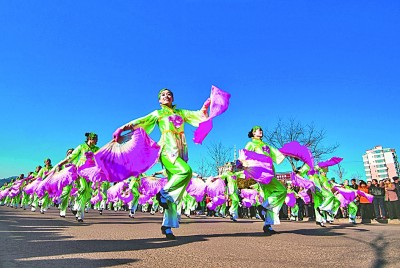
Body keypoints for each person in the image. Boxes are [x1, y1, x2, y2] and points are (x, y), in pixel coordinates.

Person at [113, 88, 210, 240]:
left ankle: (167, 226)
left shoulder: (181, 113)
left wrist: (205, 107)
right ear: (159, 100)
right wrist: (122, 128)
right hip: (167, 149)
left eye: (169, 94)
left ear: (173, 98)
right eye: (163, 95)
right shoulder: (157, 114)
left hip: (181, 149)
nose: (166, 96)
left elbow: (197, 115)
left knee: (174, 193)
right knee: (185, 172)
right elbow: (140, 121)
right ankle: (163, 193)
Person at [243, 126, 286, 235]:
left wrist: (293, 153)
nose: (260, 130)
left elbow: (278, 155)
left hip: (270, 172)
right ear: (253, 133)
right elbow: (244, 155)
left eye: (261, 129)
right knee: (282, 190)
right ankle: (263, 206)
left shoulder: (266, 146)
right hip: (261, 173)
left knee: (269, 195)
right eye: (257, 129)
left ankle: (268, 225)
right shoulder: (251, 144)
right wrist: (242, 163)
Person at [58, 133, 100, 222]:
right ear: (90, 139)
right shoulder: (81, 147)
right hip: (80, 170)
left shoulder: (97, 149)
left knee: (87, 193)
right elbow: (71, 156)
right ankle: (77, 210)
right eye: (95, 139)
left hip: (91, 172)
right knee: (83, 188)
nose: (97, 141)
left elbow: (103, 157)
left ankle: (78, 210)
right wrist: (61, 163)